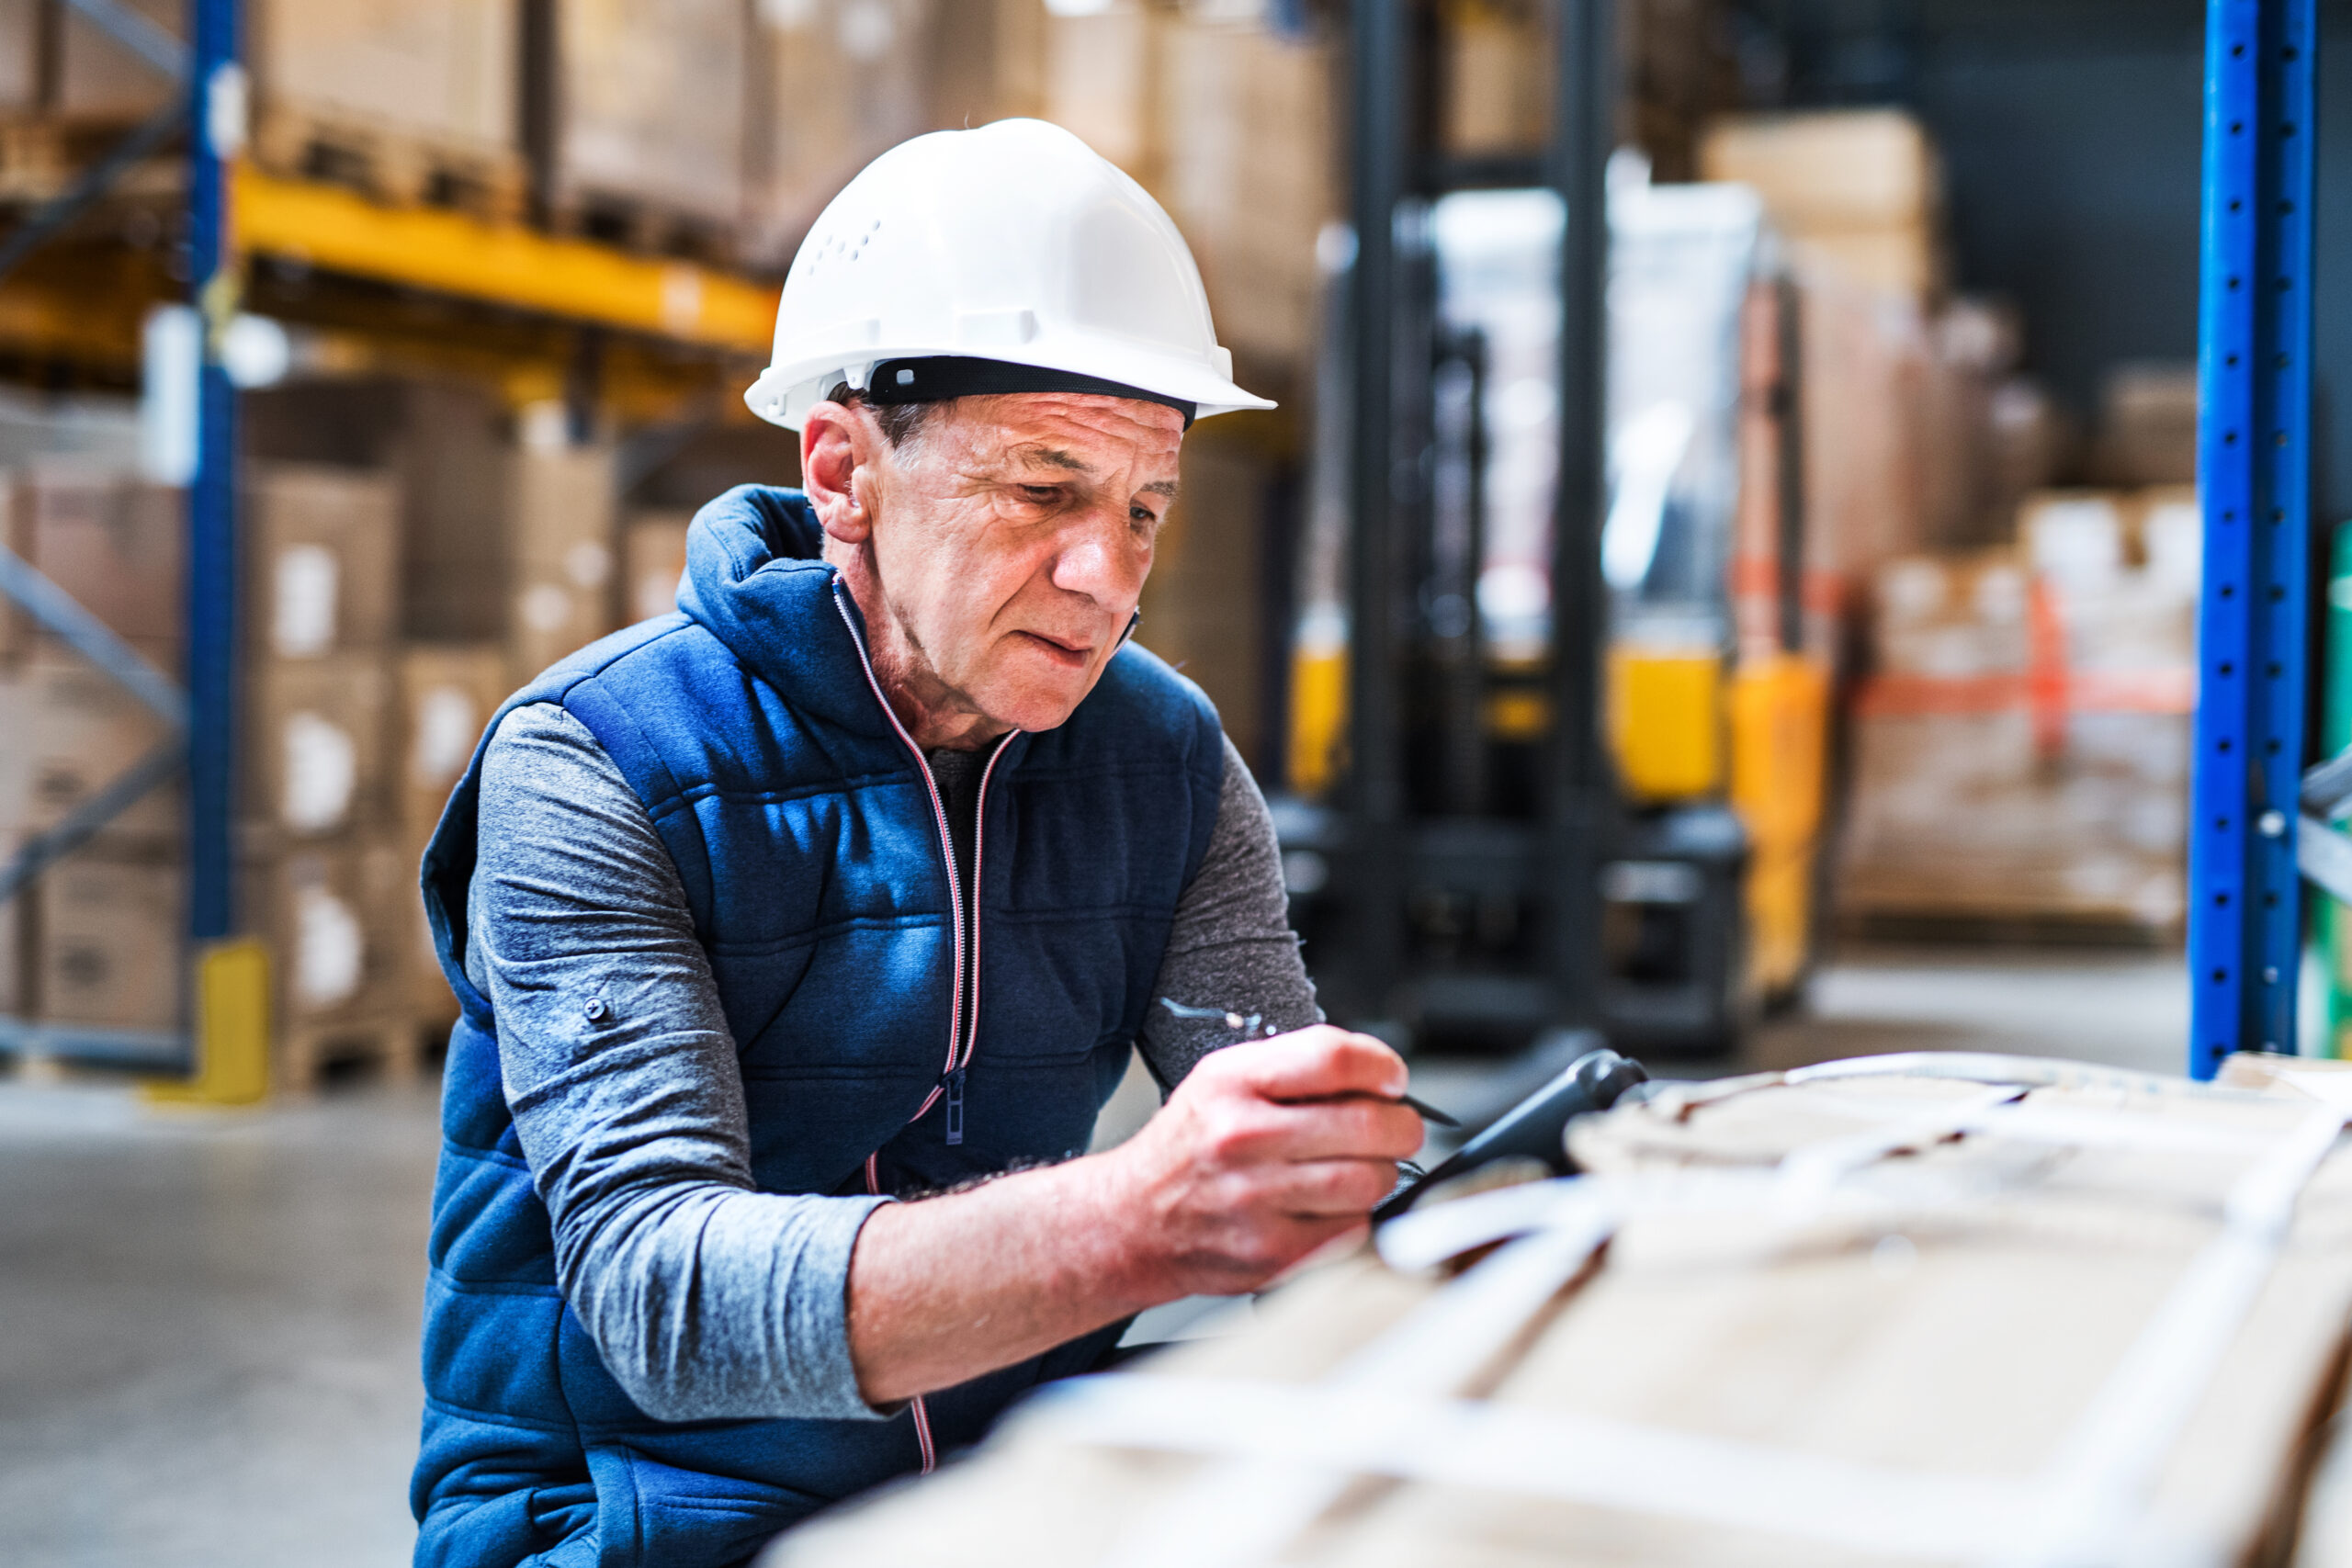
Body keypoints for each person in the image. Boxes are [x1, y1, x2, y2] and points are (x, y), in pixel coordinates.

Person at [409, 119, 1422, 1568]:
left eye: (1147, 510)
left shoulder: (1165, 761)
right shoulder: (602, 762)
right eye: (1044, 489)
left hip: (1004, 1480)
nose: (1109, 576)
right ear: (842, 471)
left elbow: (1288, 1158)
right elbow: (663, 1303)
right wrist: (1139, 1216)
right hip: (634, 1506)